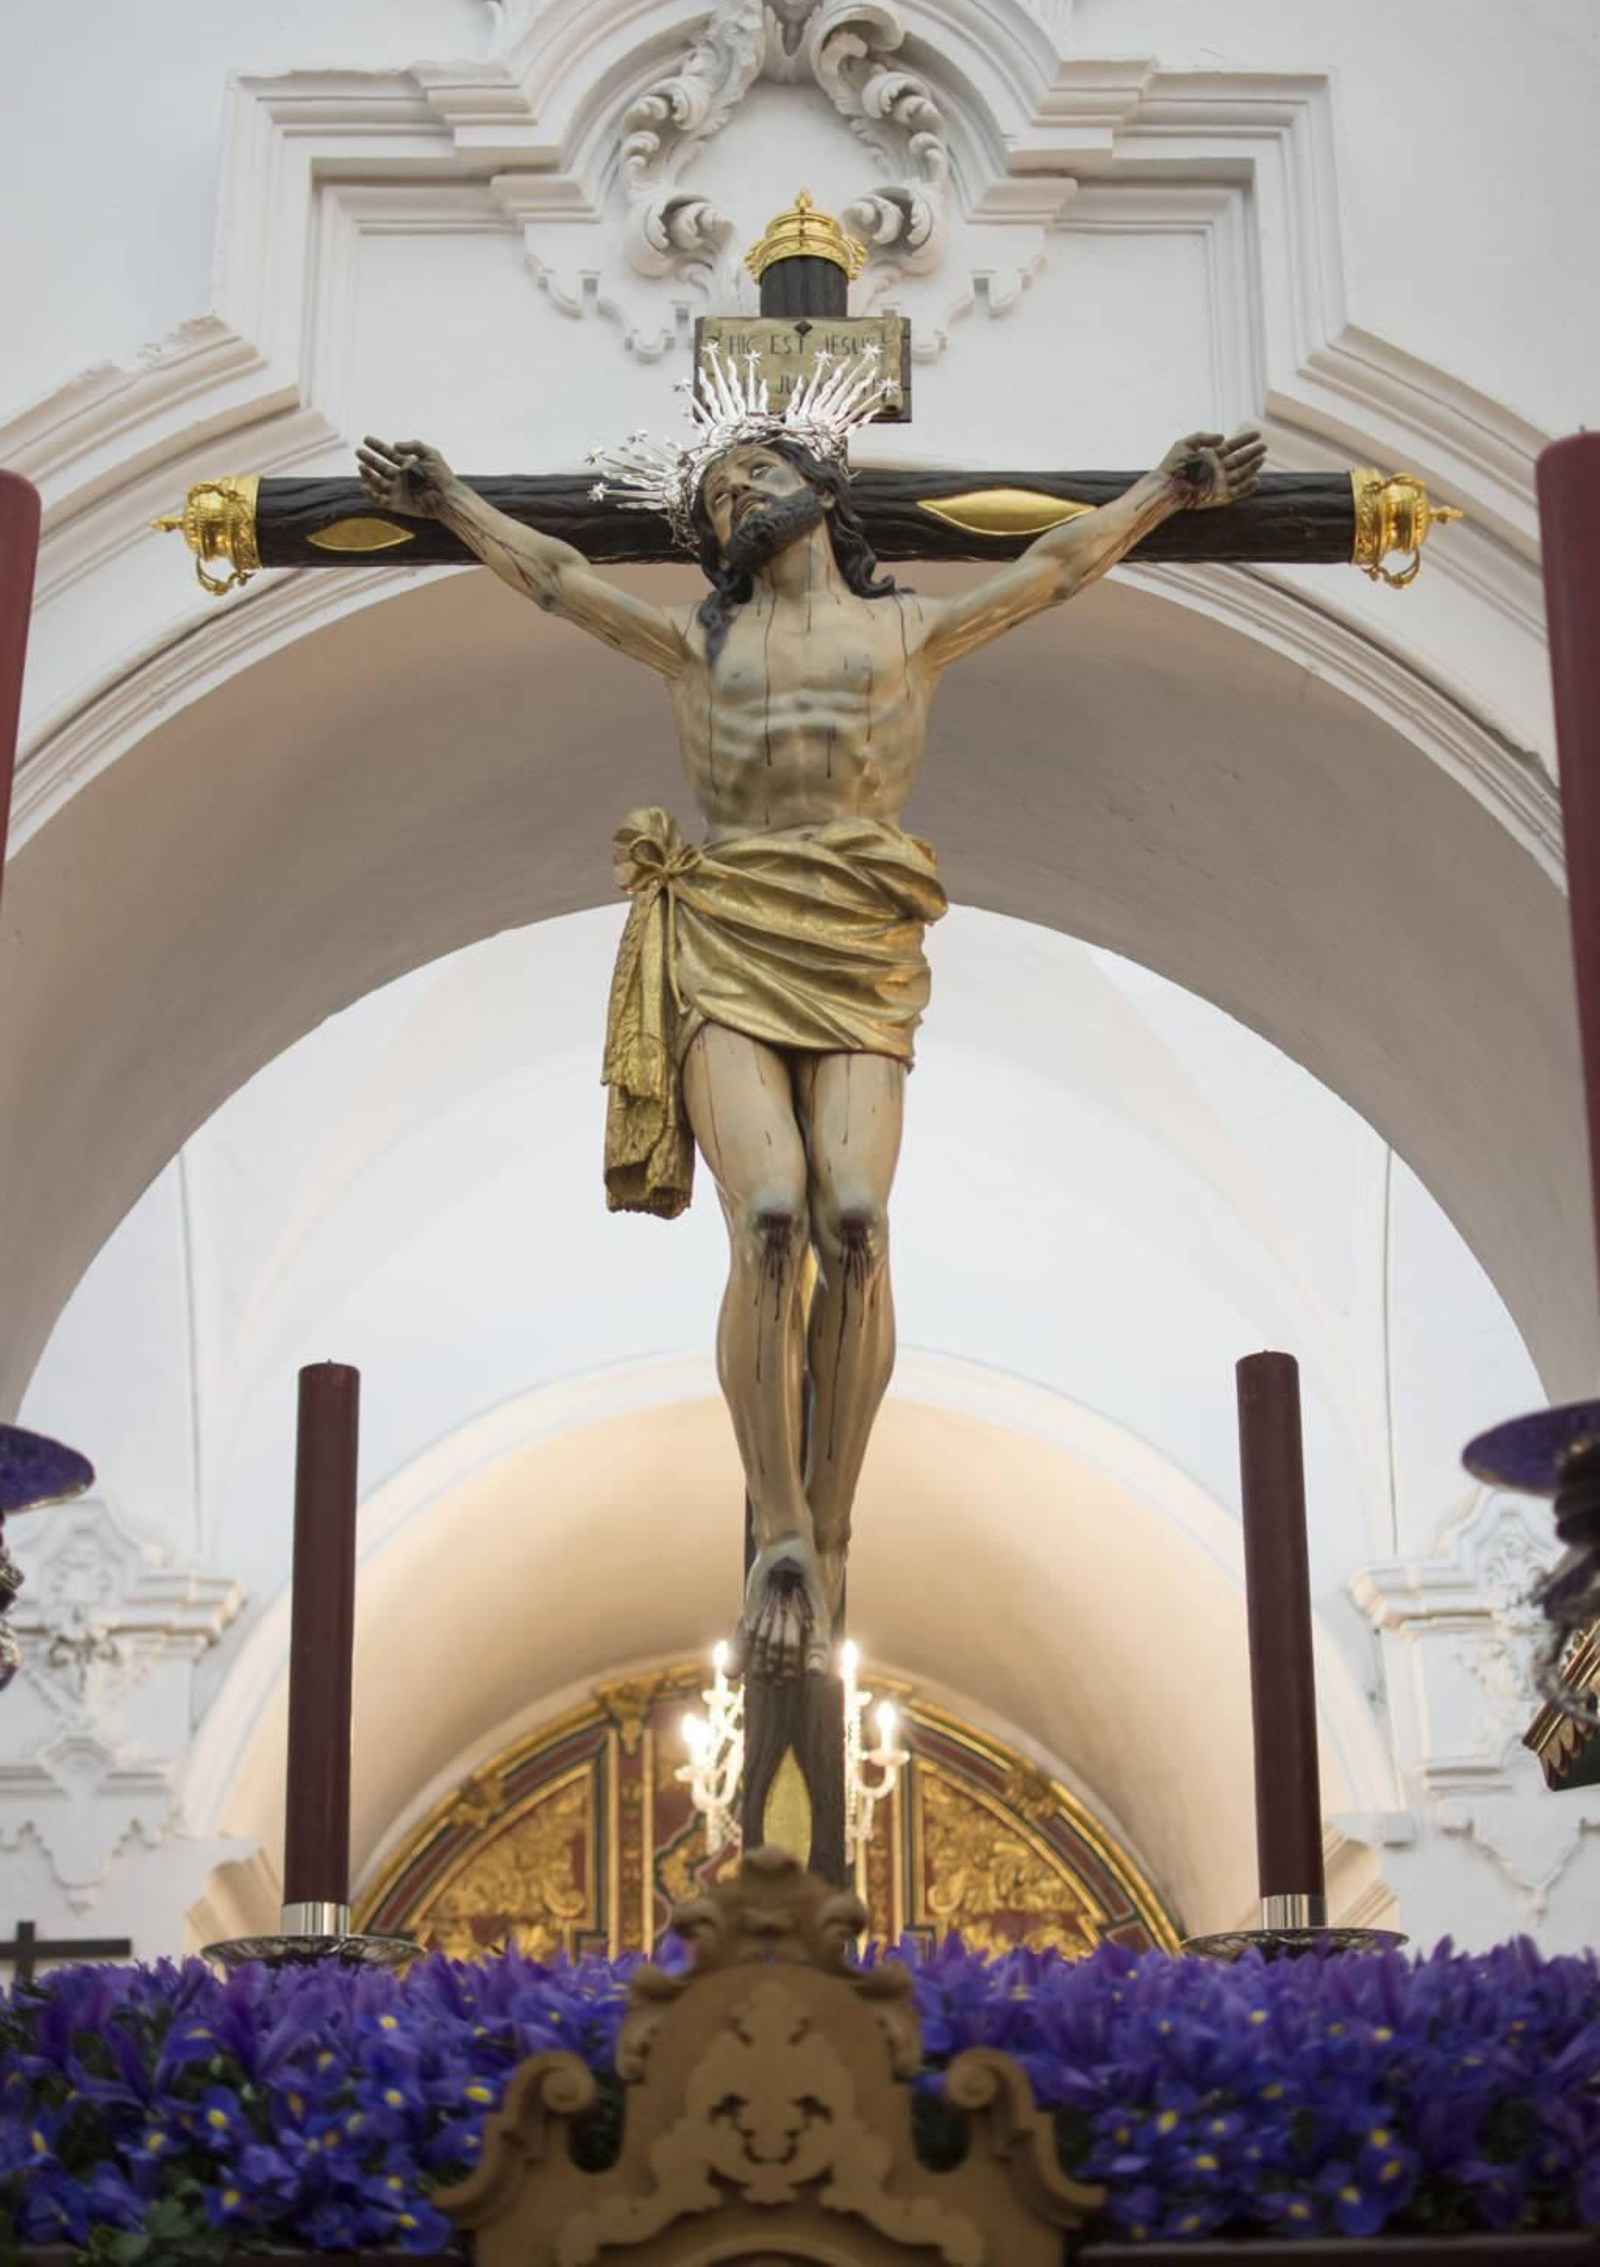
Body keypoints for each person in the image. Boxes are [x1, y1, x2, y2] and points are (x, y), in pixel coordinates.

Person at [356, 362, 1265, 1679]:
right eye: (716, 494)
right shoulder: (696, 642)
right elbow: (558, 580)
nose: (732, 504)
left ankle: (834, 1523)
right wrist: (448, 507)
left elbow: (1059, 568)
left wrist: (1164, 495)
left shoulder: (908, 635)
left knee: (858, 1220)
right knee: (771, 1217)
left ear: (820, 490)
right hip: (731, 933)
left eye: (754, 479)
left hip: (857, 938)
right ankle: (780, 1526)